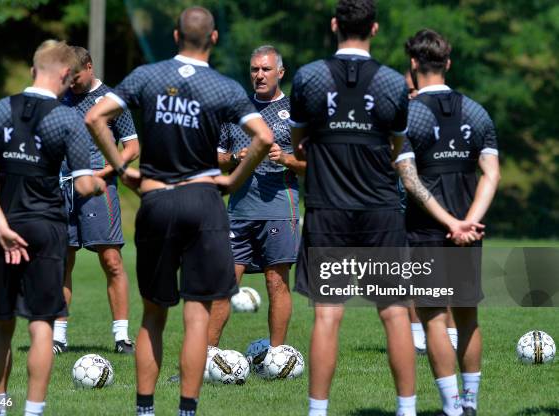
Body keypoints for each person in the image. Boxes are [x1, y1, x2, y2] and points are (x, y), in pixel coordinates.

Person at [289, 2, 479, 415]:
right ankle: (406, 410)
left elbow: (298, 140)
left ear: (335, 24)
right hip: (380, 211)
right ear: (374, 28)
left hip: (328, 209)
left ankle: (317, 412)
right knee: (395, 314)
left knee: (327, 316)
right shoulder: (394, 83)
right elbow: (396, 146)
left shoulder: (308, 76)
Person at [85, 6, 273, 416]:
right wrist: (234, 180)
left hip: (155, 201)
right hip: (203, 201)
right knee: (196, 315)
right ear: (215, 39)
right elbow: (264, 136)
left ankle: (145, 410)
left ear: (174, 37)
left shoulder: (146, 76)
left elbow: (95, 116)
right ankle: (187, 410)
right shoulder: (223, 86)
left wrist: (120, 169)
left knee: (153, 314)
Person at [0, 40, 106, 416]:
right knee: (41, 324)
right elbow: (83, 184)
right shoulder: (68, 120)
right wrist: (105, 181)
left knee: (2, 321)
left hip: (6, 227)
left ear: (33, 69)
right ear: (65, 74)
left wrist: (0, 225)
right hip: (47, 228)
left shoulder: (1, 109)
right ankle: (33, 412)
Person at [398, 29, 500, 416]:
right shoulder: (476, 111)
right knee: (468, 314)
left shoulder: (406, 114)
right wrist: (468, 222)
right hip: (468, 231)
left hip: (426, 230)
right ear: (448, 63)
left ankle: (451, 407)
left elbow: (410, 178)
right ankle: (471, 403)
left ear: (413, 64)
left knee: (434, 318)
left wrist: (448, 223)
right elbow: (491, 173)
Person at [208, 45, 305, 348]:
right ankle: (204, 357)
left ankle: (277, 356)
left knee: (276, 282)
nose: (259, 75)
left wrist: (286, 159)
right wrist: (238, 157)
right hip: (238, 210)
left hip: (280, 208)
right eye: (254, 69)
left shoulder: (297, 112)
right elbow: (216, 157)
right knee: (224, 285)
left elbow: (313, 162)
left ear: (280, 72)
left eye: (265, 69)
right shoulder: (236, 110)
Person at [53, 46, 139, 355]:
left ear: (90, 67)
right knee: (63, 259)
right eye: (67, 78)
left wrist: (101, 174)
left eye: (75, 77)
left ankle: (121, 337)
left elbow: (131, 148)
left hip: (99, 189)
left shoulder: (113, 101)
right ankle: (58, 337)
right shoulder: (59, 98)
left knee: (111, 261)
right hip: (61, 189)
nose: (71, 84)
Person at [403, 70, 459, 355]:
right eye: (407, 91)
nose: (411, 95)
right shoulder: (400, 122)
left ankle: (449, 333)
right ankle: (418, 337)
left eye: (414, 89)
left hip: (437, 206)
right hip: (401, 206)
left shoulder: (436, 122)